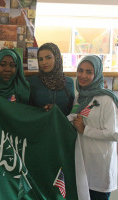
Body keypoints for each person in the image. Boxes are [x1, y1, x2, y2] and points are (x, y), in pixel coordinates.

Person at [68, 55, 118, 200]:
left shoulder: (107, 100)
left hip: (100, 166)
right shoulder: (80, 97)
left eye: (89, 72)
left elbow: (114, 133)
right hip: (82, 163)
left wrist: (86, 130)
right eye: (80, 70)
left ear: (97, 74)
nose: (83, 75)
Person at [27, 42, 75, 115]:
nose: (44, 62)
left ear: (57, 58)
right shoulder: (32, 82)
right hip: (40, 123)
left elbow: (71, 110)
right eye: (40, 59)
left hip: (62, 124)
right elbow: (28, 109)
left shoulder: (69, 82)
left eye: (48, 57)